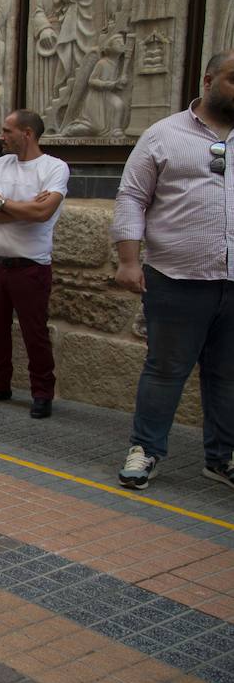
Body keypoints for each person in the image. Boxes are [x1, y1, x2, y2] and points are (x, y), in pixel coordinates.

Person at [112, 51, 234, 491]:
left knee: (228, 376)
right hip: (177, 279)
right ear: (208, 80)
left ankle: (222, 458)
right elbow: (132, 196)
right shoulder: (163, 134)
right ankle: (145, 450)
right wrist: (129, 260)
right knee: (165, 369)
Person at [0, 109, 69, 419]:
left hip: (30, 266)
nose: (1, 137)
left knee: (34, 333)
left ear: (27, 133)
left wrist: (0, 202)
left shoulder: (54, 167)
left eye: (7, 131)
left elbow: (42, 213)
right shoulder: (0, 164)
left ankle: (42, 393)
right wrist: (21, 208)